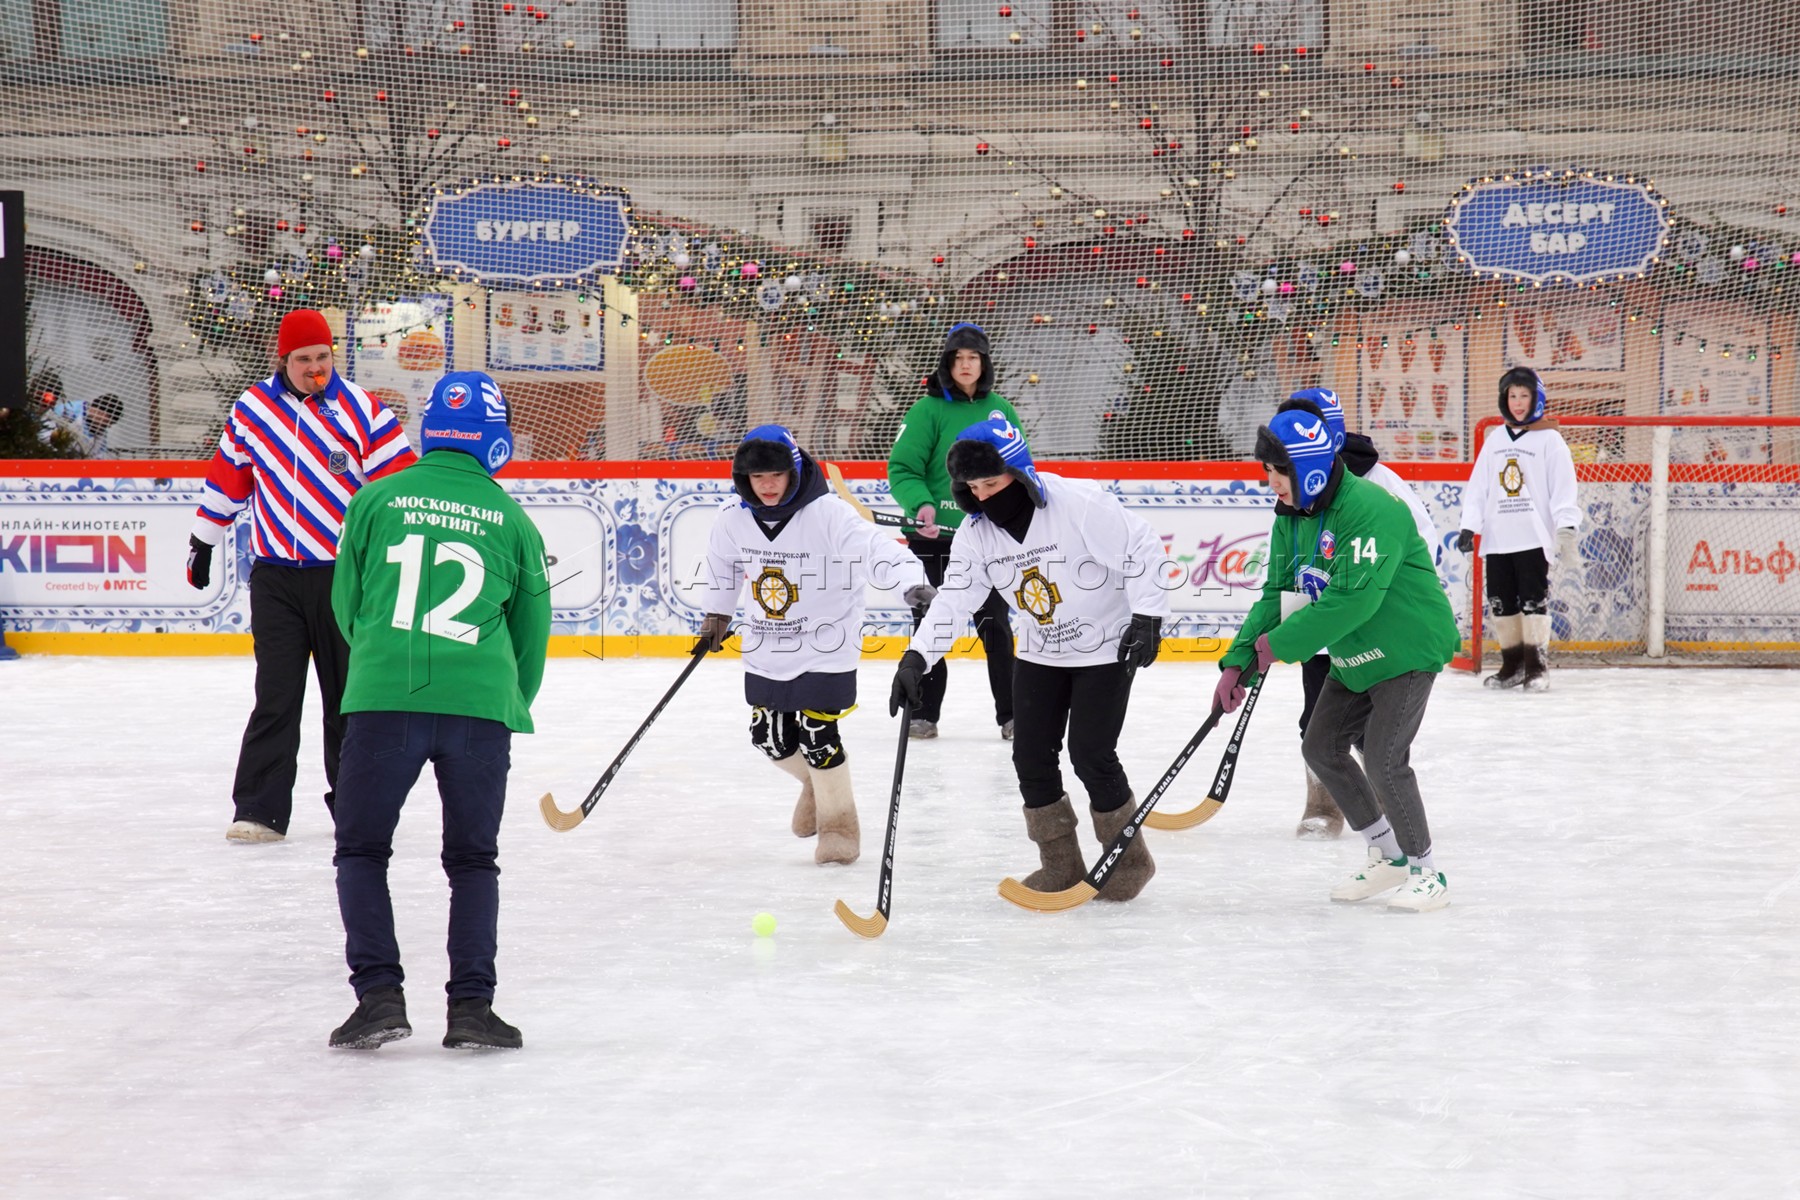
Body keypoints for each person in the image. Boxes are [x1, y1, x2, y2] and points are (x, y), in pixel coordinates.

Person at [326, 371, 549, 1050]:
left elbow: (347, 605)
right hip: (478, 706)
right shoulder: (512, 518)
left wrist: (382, 662)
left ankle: (379, 999)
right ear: (497, 441)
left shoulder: (374, 498)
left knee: (362, 850)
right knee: (473, 860)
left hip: (384, 698)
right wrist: (504, 699)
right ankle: (472, 1010)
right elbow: (532, 634)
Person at [892, 417, 1170, 901]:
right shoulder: (977, 535)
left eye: (992, 482)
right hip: (1041, 651)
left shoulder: (1077, 504)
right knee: (1030, 758)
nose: (982, 497)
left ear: (1019, 472)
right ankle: (1060, 865)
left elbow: (1141, 547)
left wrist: (1147, 616)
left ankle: (1130, 861)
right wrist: (917, 658)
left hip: (1105, 648)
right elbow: (956, 598)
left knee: (1091, 755)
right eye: (972, 487)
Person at [1214, 408, 1460, 912]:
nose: (1270, 484)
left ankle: (1426, 871)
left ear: (1310, 469)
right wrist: (1238, 659)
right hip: (1355, 652)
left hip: (1407, 646)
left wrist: (1278, 647)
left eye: (1277, 472)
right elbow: (1276, 593)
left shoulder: (1372, 508)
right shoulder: (1292, 518)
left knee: (1386, 758)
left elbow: (1354, 599)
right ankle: (1388, 857)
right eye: (1266, 471)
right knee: (1321, 747)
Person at [187, 308, 417, 843]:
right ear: (282, 359)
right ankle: (260, 811)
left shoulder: (363, 410)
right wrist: (204, 539)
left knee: (347, 700)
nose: (316, 368)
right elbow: (229, 478)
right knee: (276, 696)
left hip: (344, 579)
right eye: (304, 360)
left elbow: (401, 489)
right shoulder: (253, 409)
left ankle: (358, 810)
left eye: (323, 357)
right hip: (276, 579)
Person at [695, 425, 931, 865]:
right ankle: (820, 788)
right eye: (756, 477)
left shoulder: (828, 513)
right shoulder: (732, 517)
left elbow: (875, 549)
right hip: (768, 645)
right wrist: (717, 615)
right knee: (767, 738)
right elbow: (722, 568)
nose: (766, 486)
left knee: (818, 736)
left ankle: (840, 825)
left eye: (776, 475)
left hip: (827, 643)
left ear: (794, 471)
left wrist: (912, 584)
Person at [1278, 387, 1441, 839]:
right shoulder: (1292, 478)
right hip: (1321, 627)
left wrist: (1370, 592)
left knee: (1378, 736)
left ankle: (1390, 812)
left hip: (1377, 633)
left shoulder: (1380, 482)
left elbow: (1420, 548)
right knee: (1317, 724)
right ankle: (1324, 806)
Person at [886, 323, 1020, 740]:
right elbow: (903, 468)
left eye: (973, 358)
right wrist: (921, 505)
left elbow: (1017, 467)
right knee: (931, 620)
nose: (966, 365)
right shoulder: (928, 410)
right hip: (934, 542)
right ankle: (924, 712)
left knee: (996, 625)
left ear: (984, 364)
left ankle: (1014, 716)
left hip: (989, 538)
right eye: (958, 358)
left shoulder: (1000, 410)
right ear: (947, 363)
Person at [1455, 366, 1581, 692]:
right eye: (1513, 396)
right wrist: (1469, 526)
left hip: (1532, 536)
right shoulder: (1495, 439)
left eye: (1524, 395)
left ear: (1536, 398)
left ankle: (1537, 667)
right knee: (1501, 602)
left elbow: (1563, 486)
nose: (1518, 402)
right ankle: (1512, 666)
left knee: (1532, 601)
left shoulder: (1550, 439)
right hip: (1498, 537)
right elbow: (1479, 486)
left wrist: (1566, 526)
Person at [40, 393, 123, 458]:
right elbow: (42, 431)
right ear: (99, 413)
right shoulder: (70, 411)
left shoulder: (100, 433)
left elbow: (99, 456)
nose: (108, 426)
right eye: (107, 422)